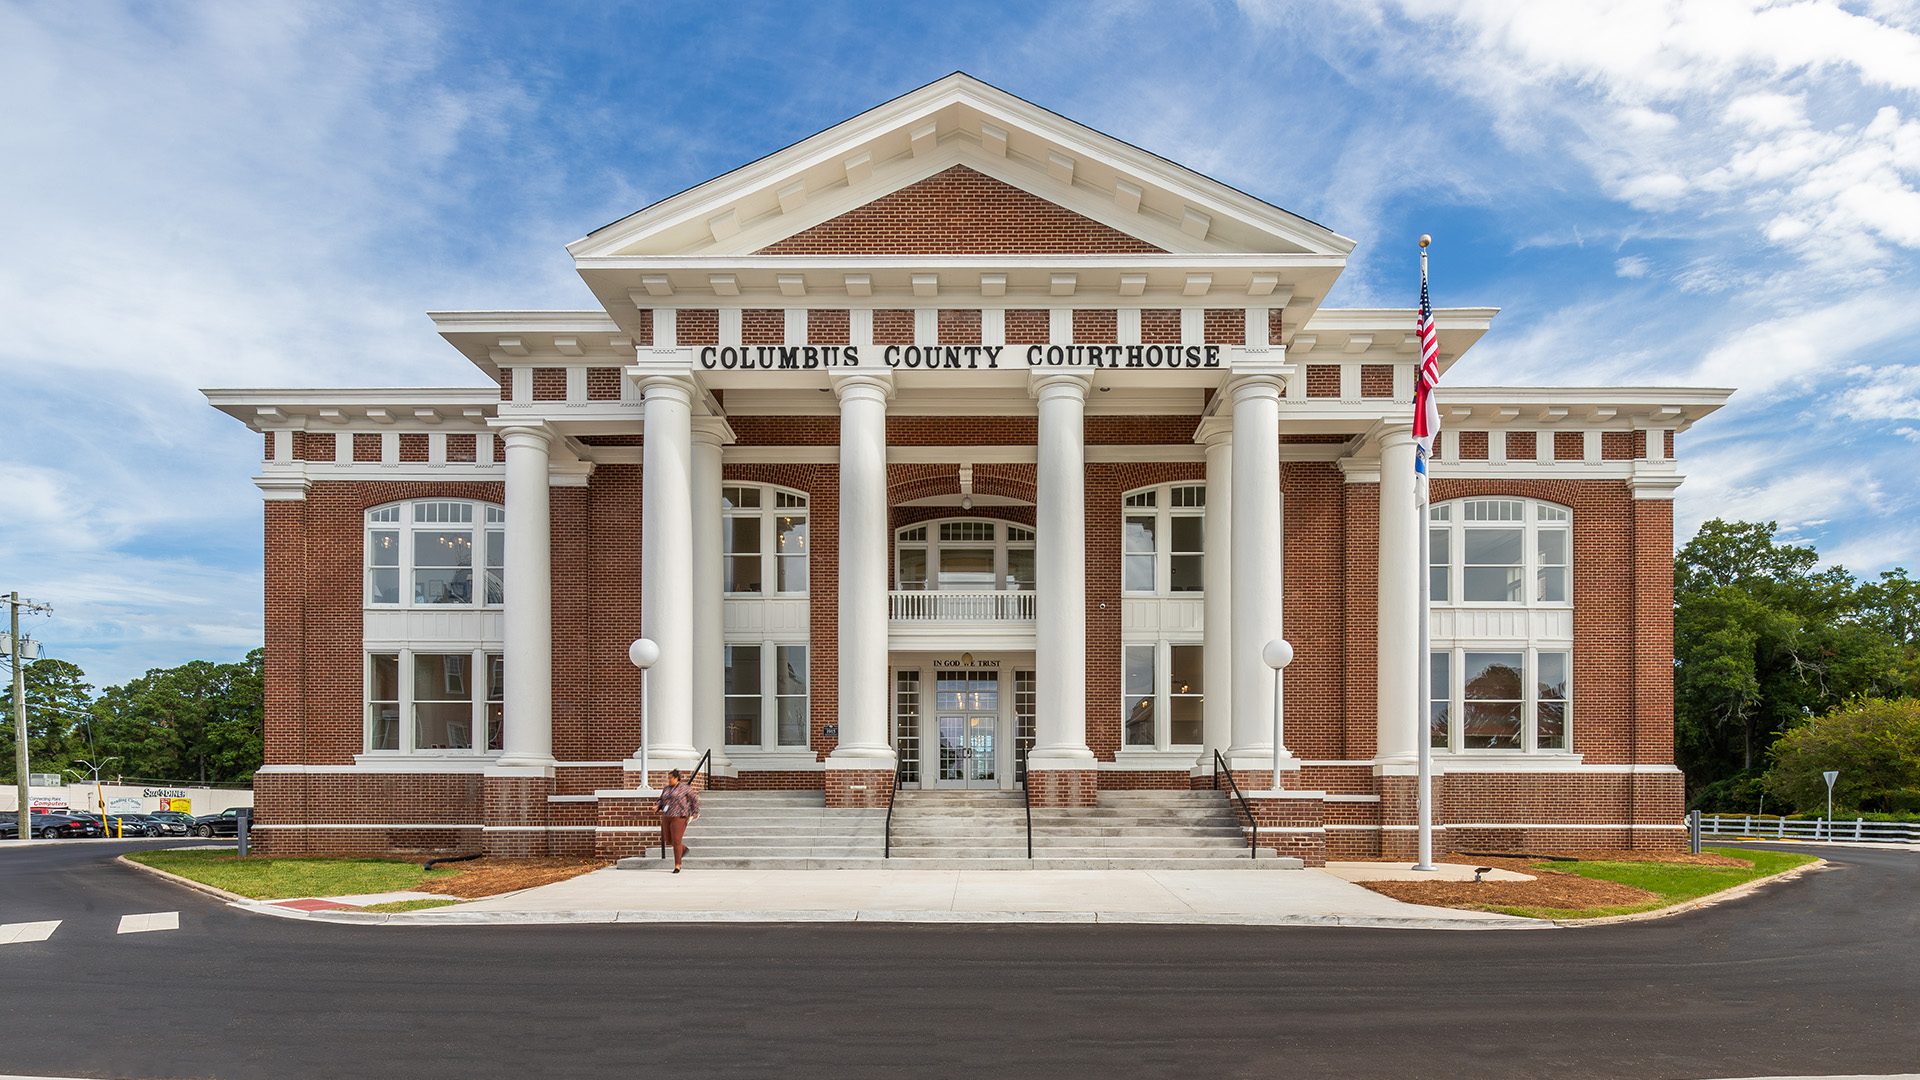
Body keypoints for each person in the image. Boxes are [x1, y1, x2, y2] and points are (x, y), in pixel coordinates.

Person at [656, 769, 700, 873]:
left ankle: (677, 865)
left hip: (680, 816)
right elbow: (661, 800)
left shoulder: (685, 788)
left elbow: (694, 800)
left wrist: (695, 813)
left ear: (676, 778)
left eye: (670, 778)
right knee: (668, 839)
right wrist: (657, 805)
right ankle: (683, 849)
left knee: (676, 841)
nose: (669, 780)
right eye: (668, 778)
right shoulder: (666, 789)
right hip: (667, 816)